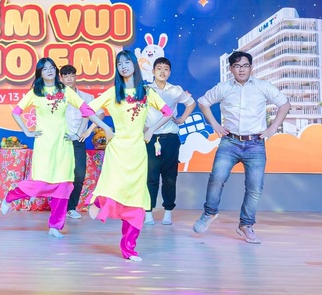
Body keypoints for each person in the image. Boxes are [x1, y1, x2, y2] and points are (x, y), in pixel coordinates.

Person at [2, 57, 110, 239]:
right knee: (39, 183)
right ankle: (11, 196)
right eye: (45, 69)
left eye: (52, 67)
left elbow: (86, 110)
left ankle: (55, 226)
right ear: (40, 73)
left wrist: (98, 129)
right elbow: (16, 112)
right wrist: (27, 132)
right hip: (44, 144)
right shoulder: (36, 92)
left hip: (64, 144)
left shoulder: (65, 91)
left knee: (63, 186)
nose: (50, 71)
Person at [193, 51, 290, 244]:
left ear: (251, 67)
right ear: (231, 69)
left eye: (245, 66)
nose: (242, 70)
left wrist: (272, 129)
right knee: (217, 178)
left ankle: (246, 225)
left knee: (255, 187)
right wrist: (215, 125)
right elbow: (203, 102)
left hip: (255, 144)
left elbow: (284, 105)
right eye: (237, 66)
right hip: (230, 142)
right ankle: (209, 213)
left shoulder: (262, 86)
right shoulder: (224, 87)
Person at [85, 50, 172, 261]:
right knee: (115, 186)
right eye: (119, 63)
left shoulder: (146, 92)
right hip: (117, 149)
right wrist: (106, 127)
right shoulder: (113, 92)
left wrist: (151, 130)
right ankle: (99, 203)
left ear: (134, 64)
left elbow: (168, 112)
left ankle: (129, 247)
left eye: (127, 62)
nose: (123, 66)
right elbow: (85, 109)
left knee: (136, 198)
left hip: (138, 151)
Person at [143, 57, 196, 226]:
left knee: (170, 178)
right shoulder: (145, 90)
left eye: (166, 69)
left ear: (170, 72)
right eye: (159, 68)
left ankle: (168, 212)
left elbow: (191, 103)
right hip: (150, 138)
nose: (162, 71)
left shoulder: (175, 90)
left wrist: (182, 119)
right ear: (153, 71)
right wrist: (143, 127)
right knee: (150, 177)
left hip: (171, 138)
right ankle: (148, 212)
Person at [59, 64, 95, 220]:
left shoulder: (86, 97)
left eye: (71, 75)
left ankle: (71, 207)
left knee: (79, 175)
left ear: (76, 77)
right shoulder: (57, 97)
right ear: (61, 78)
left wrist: (88, 131)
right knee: (60, 176)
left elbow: (99, 114)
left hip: (78, 141)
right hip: (61, 141)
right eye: (65, 76)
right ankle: (59, 207)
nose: (69, 79)